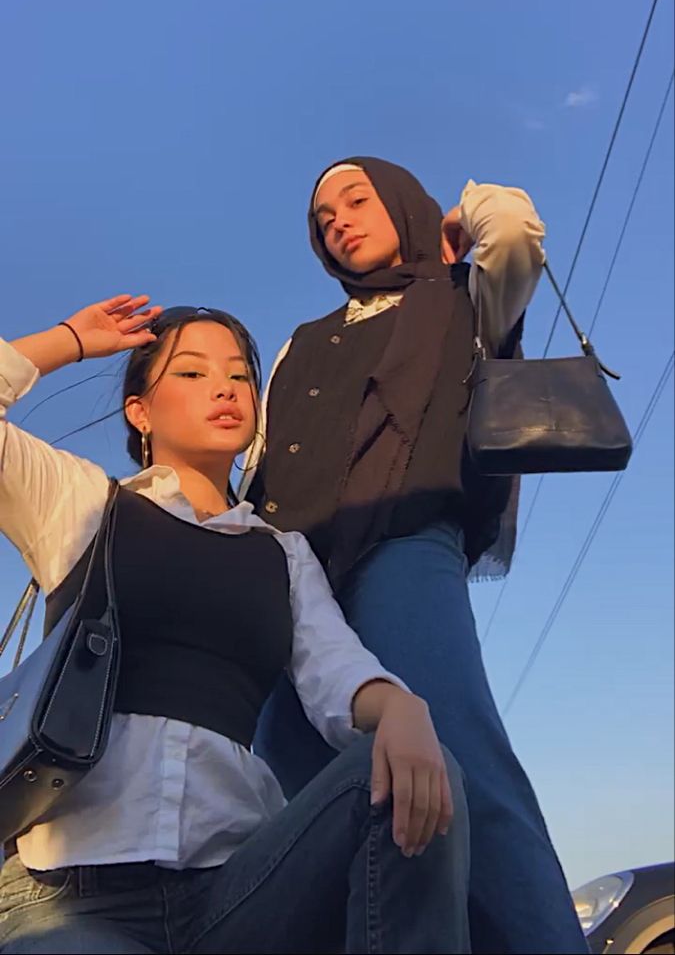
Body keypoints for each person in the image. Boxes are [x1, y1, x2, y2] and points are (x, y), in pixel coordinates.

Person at [0, 296, 471, 955]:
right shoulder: (81, 504)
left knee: (405, 768)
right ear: (139, 410)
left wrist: (399, 708)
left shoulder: (280, 552)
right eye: (190, 373)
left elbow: (334, 670)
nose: (224, 387)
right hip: (71, 899)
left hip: (238, 888)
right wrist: (70, 339)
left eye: (239, 375)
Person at [244, 158, 589, 955]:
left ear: (403, 203)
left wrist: (453, 226)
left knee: (457, 757)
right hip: (294, 577)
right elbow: (263, 464)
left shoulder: (466, 296)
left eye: (355, 200)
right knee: (301, 793)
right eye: (322, 218)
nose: (337, 221)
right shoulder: (303, 343)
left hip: (403, 542)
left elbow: (513, 227)